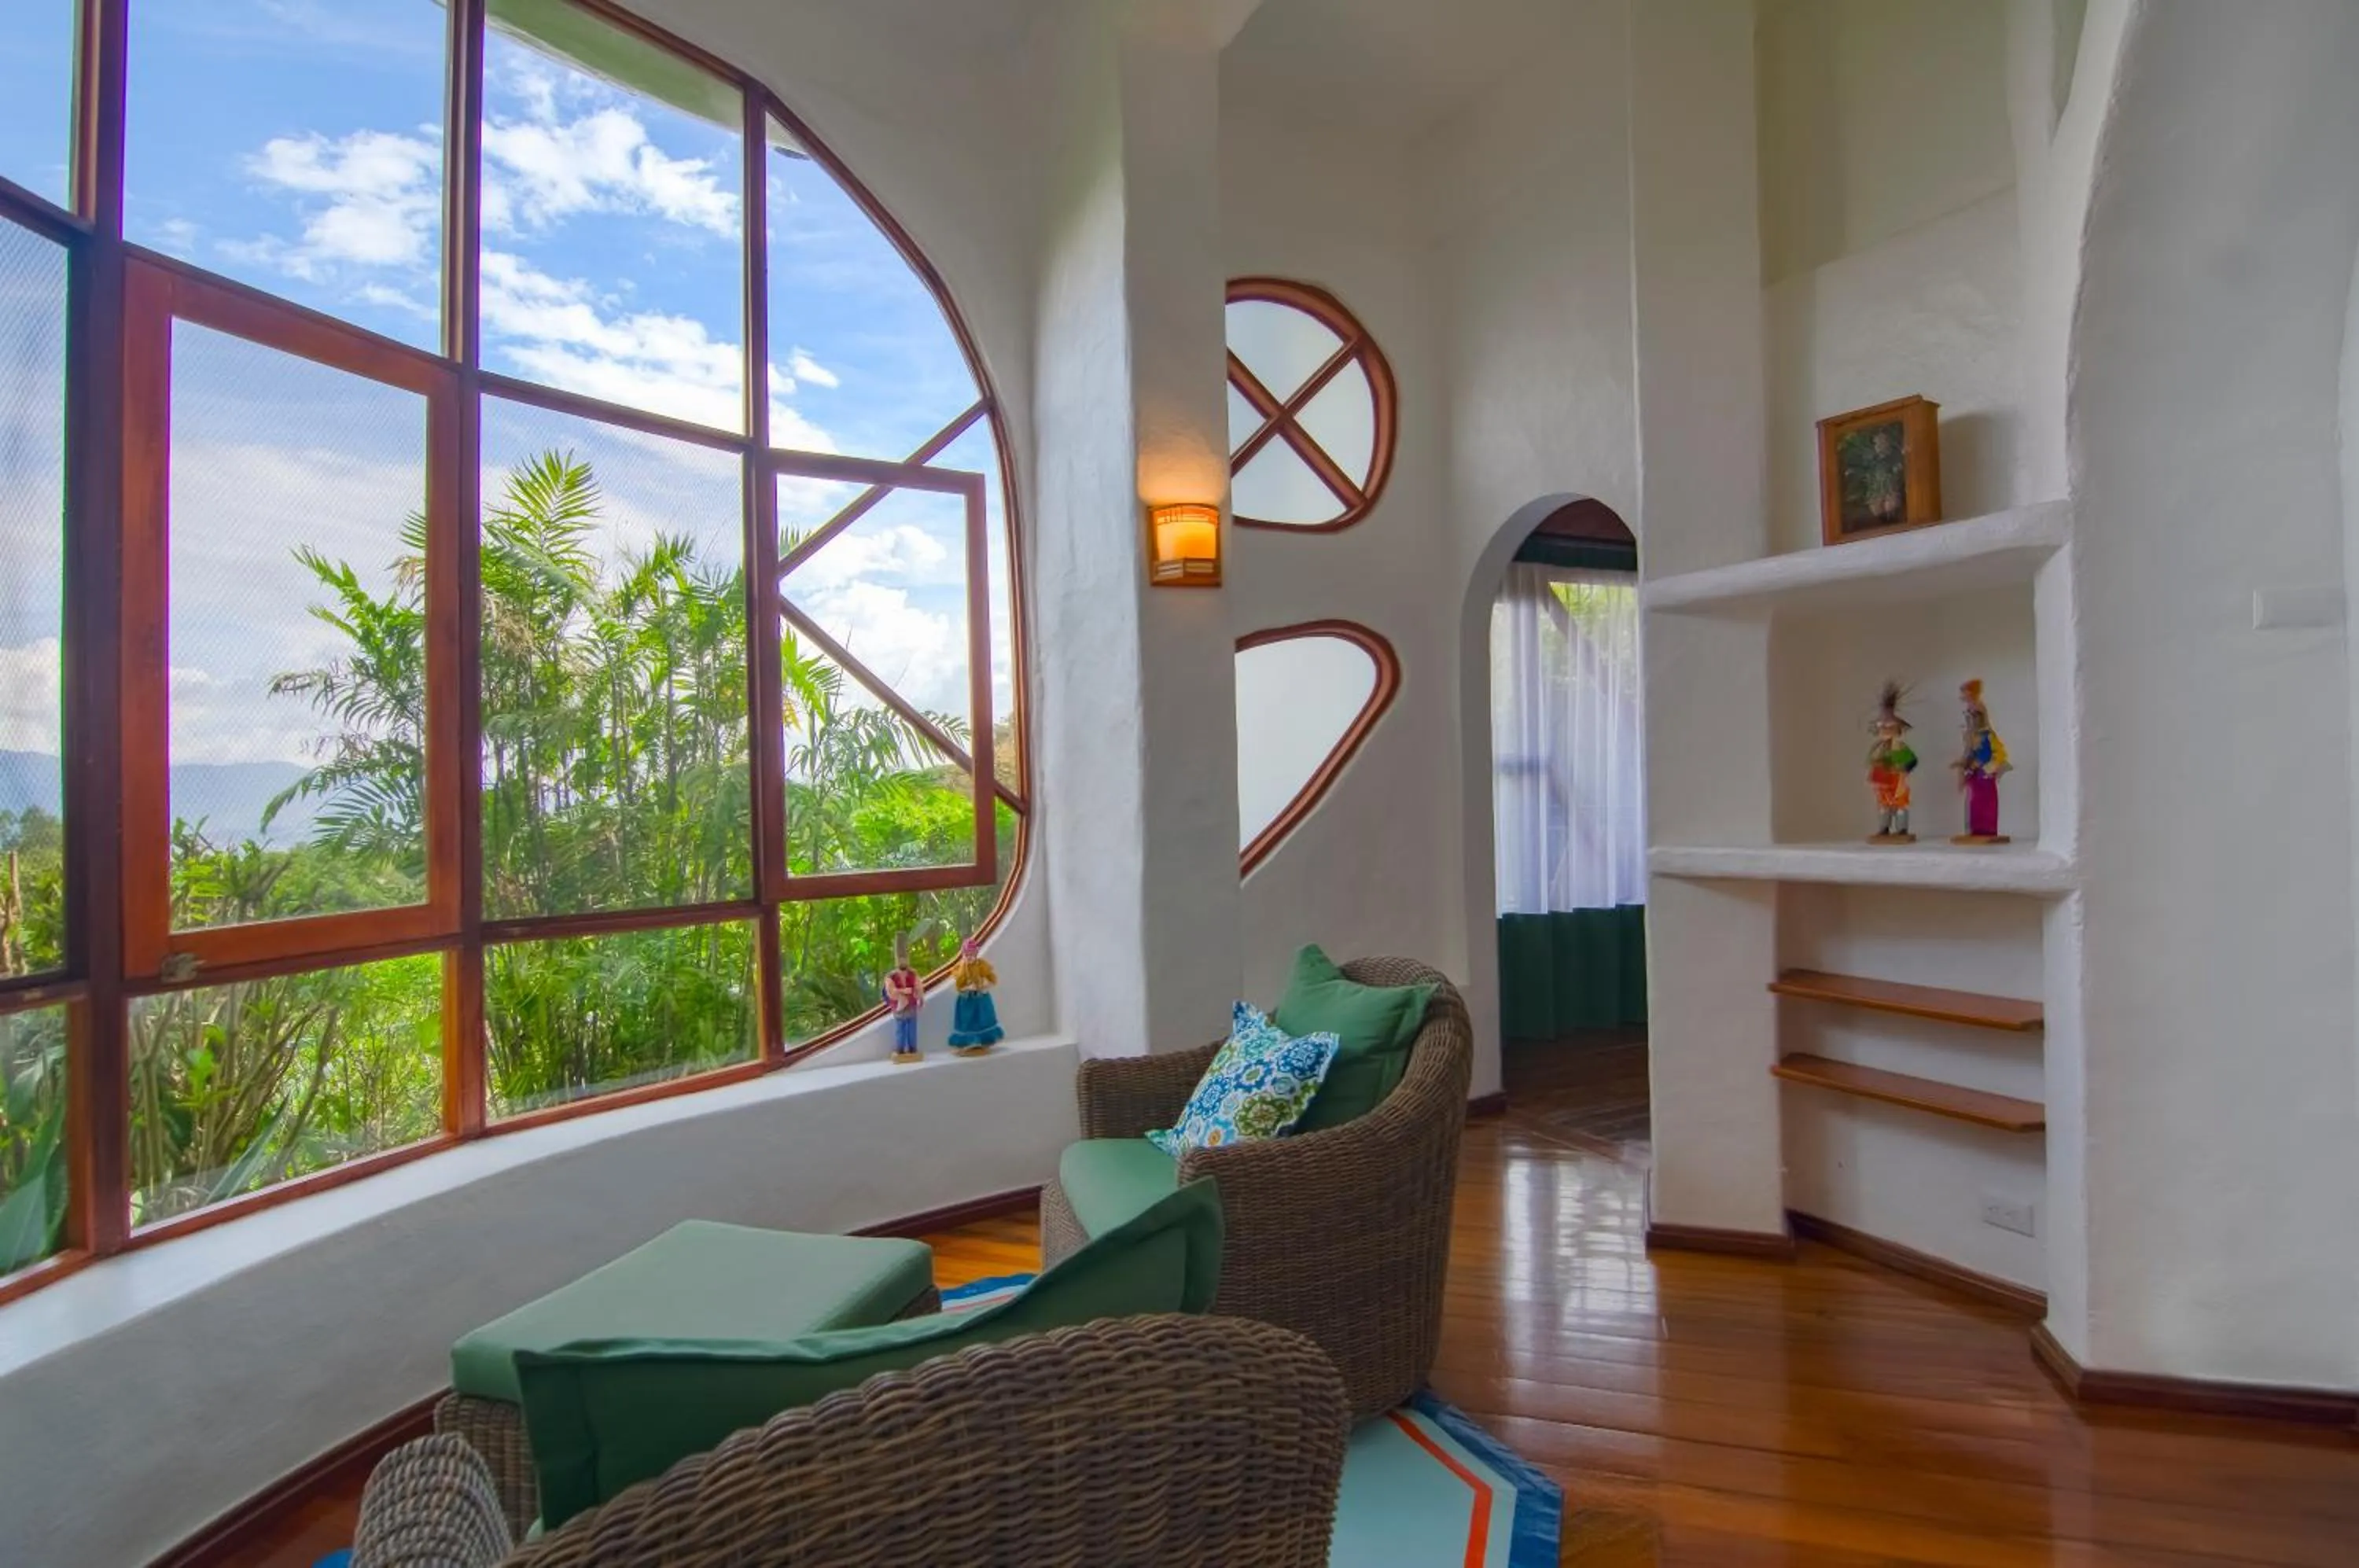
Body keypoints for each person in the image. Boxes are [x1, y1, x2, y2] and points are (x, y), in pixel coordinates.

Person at [1866, 679, 1919, 842]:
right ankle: (1884, 828)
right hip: (1883, 785)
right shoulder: (1879, 748)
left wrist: (1900, 767)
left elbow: (1911, 761)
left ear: (1898, 729)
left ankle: (1902, 829)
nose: (1885, 731)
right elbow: (1872, 762)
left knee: (1900, 805)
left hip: (1896, 782)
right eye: (1882, 727)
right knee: (1884, 806)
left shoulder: (1899, 747)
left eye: (1889, 727)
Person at [948, 933, 1003, 1056]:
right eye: (967, 954)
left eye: (972, 954)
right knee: (967, 1020)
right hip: (966, 999)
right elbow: (958, 984)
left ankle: (982, 1040)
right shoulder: (961, 968)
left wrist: (985, 985)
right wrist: (966, 987)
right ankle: (970, 1041)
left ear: (976, 953)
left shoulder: (982, 965)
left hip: (980, 997)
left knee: (983, 1018)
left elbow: (992, 979)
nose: (970, 957)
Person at [883, 933, 923, 1062]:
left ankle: (912, 1048)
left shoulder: (913, 973)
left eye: (905, 959)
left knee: (912, 1030)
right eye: (900, 959)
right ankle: (900, 1049)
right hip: (899, 1008)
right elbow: (891, 991)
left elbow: (918, 986)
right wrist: (902, 991)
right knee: (900, 1030)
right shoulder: (891, 976)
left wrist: (920, 996)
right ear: (896, 960)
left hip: (911, 1006)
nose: (903, 961)